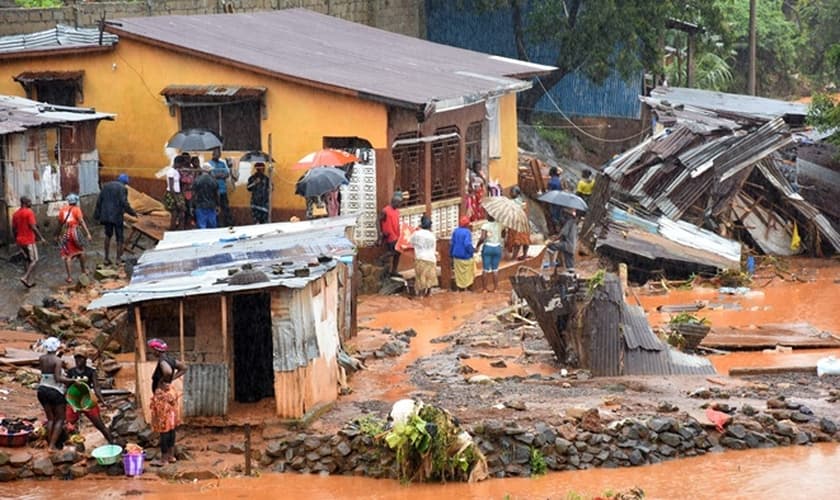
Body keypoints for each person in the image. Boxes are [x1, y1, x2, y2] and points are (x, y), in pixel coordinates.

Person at [65, 349, 114, 443]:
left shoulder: (91, 372)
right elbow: (67, 388)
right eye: (77, 358)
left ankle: (113, 444)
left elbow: (96, 388)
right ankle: (70, 446)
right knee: (68, 426)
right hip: (74, 401)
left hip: (88, 401)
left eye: (81, 358)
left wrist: (102, 401)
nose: (78, 360)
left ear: (85, 359)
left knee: (100, 425)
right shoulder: (71, 372)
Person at [37, 337, 73, 450]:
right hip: (54, 391)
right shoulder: (57, 361)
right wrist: (73, 380)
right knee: (60, 419)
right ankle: (52, 446)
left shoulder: (41, 358)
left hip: (42, 390)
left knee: (50, 419)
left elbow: (47, 374)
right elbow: (58, 378)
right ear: (56, 347)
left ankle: (48, 443)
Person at [94, 173, 136, 265]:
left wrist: (96, 215)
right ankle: (118, 259)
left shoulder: (106, 186)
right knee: (119, 237)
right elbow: (124, 203)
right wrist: (133, 213)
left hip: (106, 215)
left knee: (108, 235)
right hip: (117, 216)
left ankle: (106, 258)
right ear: (125, 182)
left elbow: (99, 201)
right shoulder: (123, 188)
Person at [57, 194, 92, 284]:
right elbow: (81, 221)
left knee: (68, 255)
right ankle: (83, 270)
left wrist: (57, 235)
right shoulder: (77, 209)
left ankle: (69, 277)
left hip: (66, 233)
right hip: (75, 232)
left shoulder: (62, 210)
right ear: (76, 201)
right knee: (81, 251)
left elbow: (60, 224)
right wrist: (88, 233)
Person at [12, 196, 45, 288]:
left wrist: (16, 241)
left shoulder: (15, 214)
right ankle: (25, 277)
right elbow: (33, 227)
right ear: (25, 203)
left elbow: (13, 229)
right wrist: (41, 238)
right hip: (29, 240)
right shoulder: (29, 212)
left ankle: (28, 281)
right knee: (34, 260)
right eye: (30, 202)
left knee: (26, 260)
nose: (31, 204)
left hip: (20, 241)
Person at [150, 379, 179, 465]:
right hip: (171, 416)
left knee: (165, 435)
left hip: (165, 417)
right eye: (165, 383)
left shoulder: (161, 393)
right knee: (171, 433)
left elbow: (156, 405)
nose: (167, 385)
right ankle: (171, 457)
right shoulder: (172, 391)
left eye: (168, 383)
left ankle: (164, 459)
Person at [410, 215, 437, 297]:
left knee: (420, 279)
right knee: (429, 279)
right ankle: (428, 294)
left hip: (420, 258)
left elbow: (411, 242)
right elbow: (433, 248)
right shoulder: (432, 235)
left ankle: (420, 296)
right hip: (431, 259)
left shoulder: (416, 234)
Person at [476, 214, 504, 292]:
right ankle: (496, 289)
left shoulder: (485, 226)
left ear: (488, 217)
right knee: (495, 270)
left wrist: (477, 245)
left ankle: (484, 289)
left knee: (485, 269)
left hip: (488, 247)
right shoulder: (500, 225)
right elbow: (503, 234)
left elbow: (482, 238)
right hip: (497, 247)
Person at [378, 192, 403, 277]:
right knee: (393, 251)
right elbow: (378, 221)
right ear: (394, 202)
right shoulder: (385, 210)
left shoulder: (397, 211)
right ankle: (381, 258)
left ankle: (394, 270)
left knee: (398, 252)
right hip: (389, 235)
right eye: (399, 203)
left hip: (396, 235)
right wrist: (380, 233)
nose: (399, 205)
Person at [450, 216, 475, 291]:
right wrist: (472, 251)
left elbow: (452, 243)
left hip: (457, 256)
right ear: (467, 224)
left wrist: (451, 254)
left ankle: (460, 289)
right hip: (466, 256)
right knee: (468, 274)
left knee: (459, 275)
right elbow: (467, 244)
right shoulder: (467, 232)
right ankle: (468, 289)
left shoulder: (455, 231)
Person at [208, 148, 232, 226]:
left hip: (223, 190)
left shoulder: (222, 164)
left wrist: (218, 174)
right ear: (213, 154)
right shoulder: (209, 164)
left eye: (219, 154)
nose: (217, 155)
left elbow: (227, 174)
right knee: (215, 208)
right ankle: (216, 224)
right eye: (215, 153)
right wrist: (220, 174)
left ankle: (227, 224)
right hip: (213, 191)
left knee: (225, 208)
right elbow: (212, 175)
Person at [506, 186, 530, 260]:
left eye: (511, 192)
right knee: (525, 240)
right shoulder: (523, 201)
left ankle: (514, 257)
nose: (510, 193)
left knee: (517, 241)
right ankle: (525, 255)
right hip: (525, 223)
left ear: (516, 193)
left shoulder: (511, 203)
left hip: (516, 224)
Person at [164, 157, 185, 230]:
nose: (182, 166)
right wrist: (176, 200)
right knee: (174, 213)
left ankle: (179, 228)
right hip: (173, 194)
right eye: (181, 164)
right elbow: (171, 186)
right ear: (177, 163)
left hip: (177, 193)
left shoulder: (176, 171)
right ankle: (172, 229)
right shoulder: (171, 172)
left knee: (182, 213)